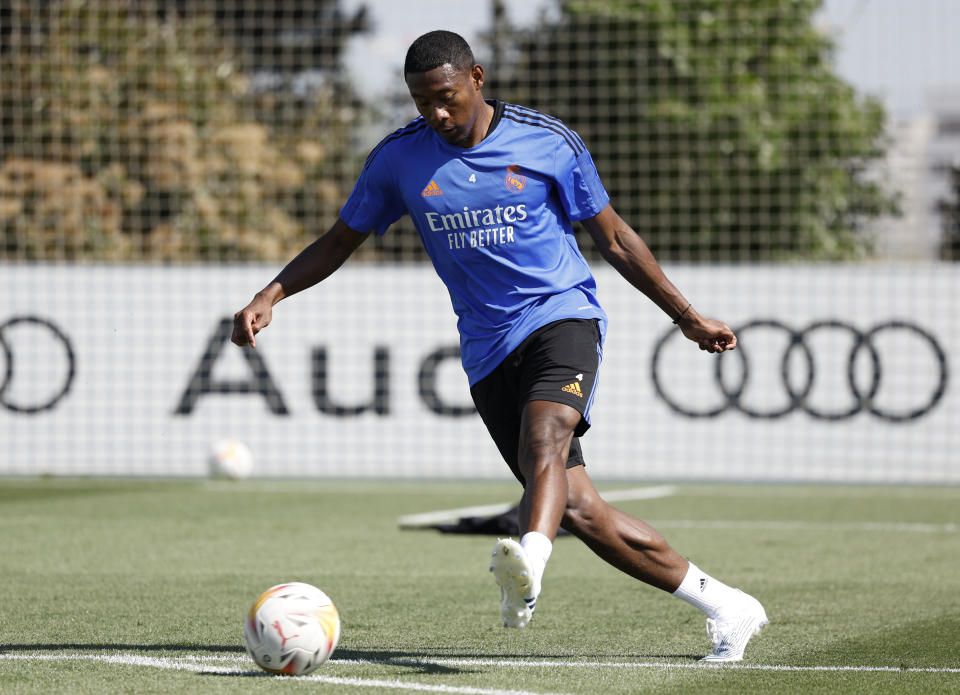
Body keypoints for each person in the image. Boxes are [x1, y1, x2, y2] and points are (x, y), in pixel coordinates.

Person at [232, 30, 768, 662]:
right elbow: (338, 241)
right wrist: (272, 292)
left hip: (561, 316)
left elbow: (615, 238)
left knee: (548, 435)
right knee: (580, 509)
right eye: (421, 101)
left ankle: (529, 564)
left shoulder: (548, 141)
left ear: (477, 79)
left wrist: (687, 316)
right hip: (487, 347)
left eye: (447, 97)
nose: (436, 114)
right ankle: (728, 605)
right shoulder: (399, 159)